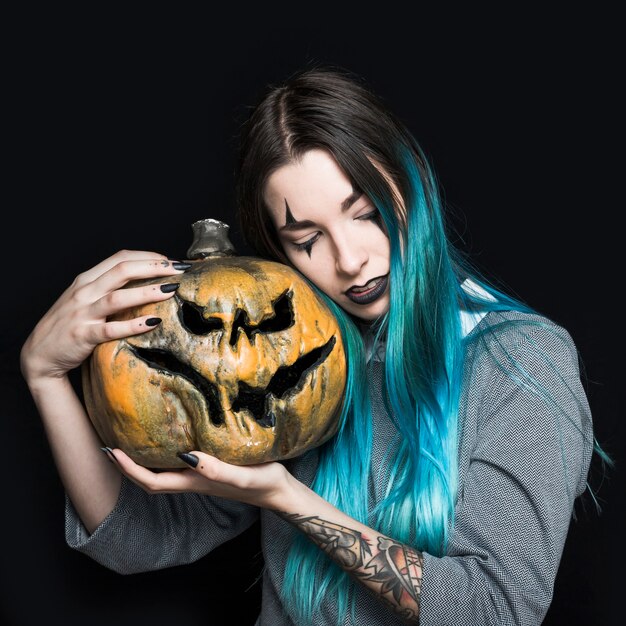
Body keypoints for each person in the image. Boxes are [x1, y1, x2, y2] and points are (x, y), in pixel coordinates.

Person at [19, 65, 611, 626]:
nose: (350, 260)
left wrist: (286, 496)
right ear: (278, 256)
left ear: (412, 184)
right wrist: (46, 377)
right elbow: (138, 538)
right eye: (308, 241)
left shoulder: (523, 362)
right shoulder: (289, 374)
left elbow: (494, 612)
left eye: (367, 214)